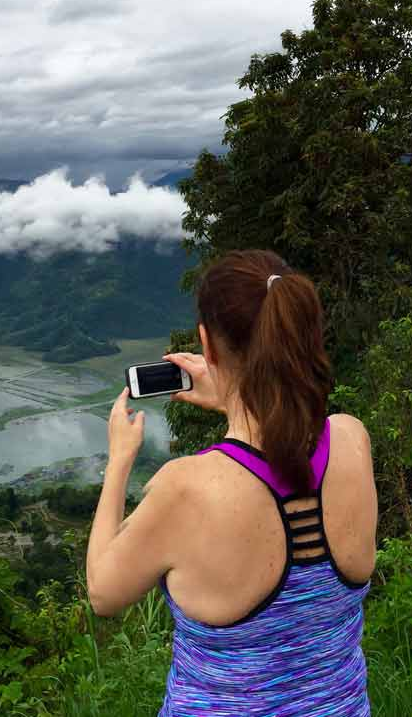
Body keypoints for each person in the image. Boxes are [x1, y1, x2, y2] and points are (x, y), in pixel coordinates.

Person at [85, 249, 375, 716]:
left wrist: (119, 461)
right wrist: (232, 398)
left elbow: (103, 591)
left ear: (208, 344)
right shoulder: (350, 441)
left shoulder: (185, 488)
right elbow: (278, 462)